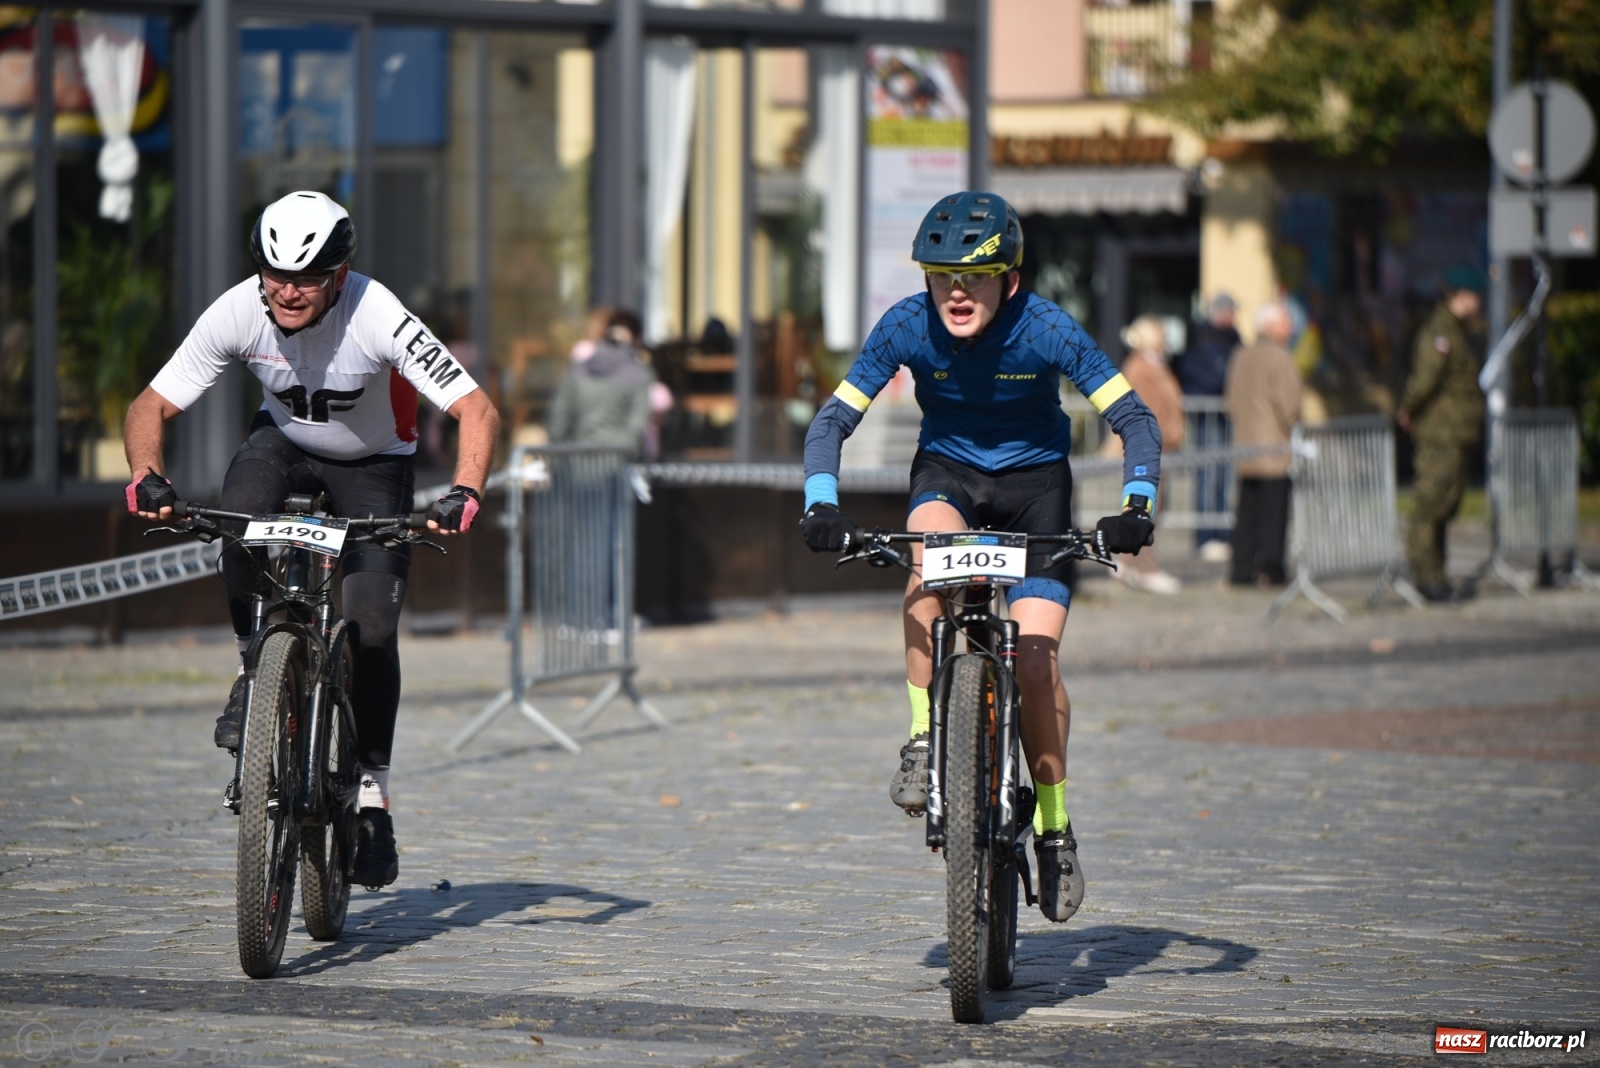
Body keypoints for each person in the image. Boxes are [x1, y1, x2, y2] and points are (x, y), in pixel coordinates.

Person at [798, 191, 1162, 923]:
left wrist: (1137, 506)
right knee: (926, 566)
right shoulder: (906, 324)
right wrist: (820, 502)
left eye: (976, 277)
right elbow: (832, 420)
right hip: (949, 477)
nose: (957, 292)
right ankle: (923, 736)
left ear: (1011, 280)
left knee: (1036, 663)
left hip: (1037, 490)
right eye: (943, 277)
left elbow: (1133, 417)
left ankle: (1054, 828)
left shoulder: (1048, 328)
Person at [123, 190, 501, 890]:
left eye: (306, 278)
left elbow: (476, 409)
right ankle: (255, 669)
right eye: (276, 275)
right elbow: (149, 406)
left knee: (373, 631)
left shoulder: (377, 312)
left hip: (375, 465)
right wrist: (147, 475)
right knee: (240, 515)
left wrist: (465, 490)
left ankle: (374, 797)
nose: (288, 292)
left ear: (340, 274)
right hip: (284, 445)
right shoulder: (239, 309)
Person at [1397, 267, 1485, 603]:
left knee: (1445, 505)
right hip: (1439, 434)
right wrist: (1407, 409)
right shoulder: (1441, 333)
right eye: (1473, 296)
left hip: (1455, 433)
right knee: (1429, 505)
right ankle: (1426, 577)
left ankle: (1438, 575)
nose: (1478, 303)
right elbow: (1425, 379)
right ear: (1459, 296)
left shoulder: (1458, 331)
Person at [1224, 301, 1301, 587]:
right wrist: (1292, 423)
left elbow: (1230, 400)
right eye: (1285, 320)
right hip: (1273, 447)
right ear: (1270, 325)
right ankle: (1271, 569)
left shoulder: (1240, 354)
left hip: (1245, 445)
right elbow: (1290, 404)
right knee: (1274, 515)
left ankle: (1241, 570)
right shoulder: (1279, 356)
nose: (1290, 326)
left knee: (1247, 513)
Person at [1108, 315, 1184, 595]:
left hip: (1161, 446)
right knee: (1145, 508)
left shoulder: (1155, 365)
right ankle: (1144, 568)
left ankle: (1126, 562)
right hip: (1146, 448)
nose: (1166, 340)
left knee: (1154, 508)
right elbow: (1143, 411)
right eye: (1161, 335)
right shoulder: (1140, 368)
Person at [1176, 293, 1241, 560]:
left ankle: (1223, 534)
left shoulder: (1234, 338)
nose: (1234, 317)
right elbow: (1206, 375)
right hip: (1207, 414)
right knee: (1208, 475)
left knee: (1224, 476)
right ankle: (1205, 536)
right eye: (1231, 312)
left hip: (1226, 414)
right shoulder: (1201, 336)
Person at [548, 308, 656, 460]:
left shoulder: (577, 369)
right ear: (637, 339)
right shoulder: (639, 374)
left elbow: (558, 419)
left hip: (575, 459)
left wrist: (561, 454)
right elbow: (637, 424)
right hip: (618, 460)